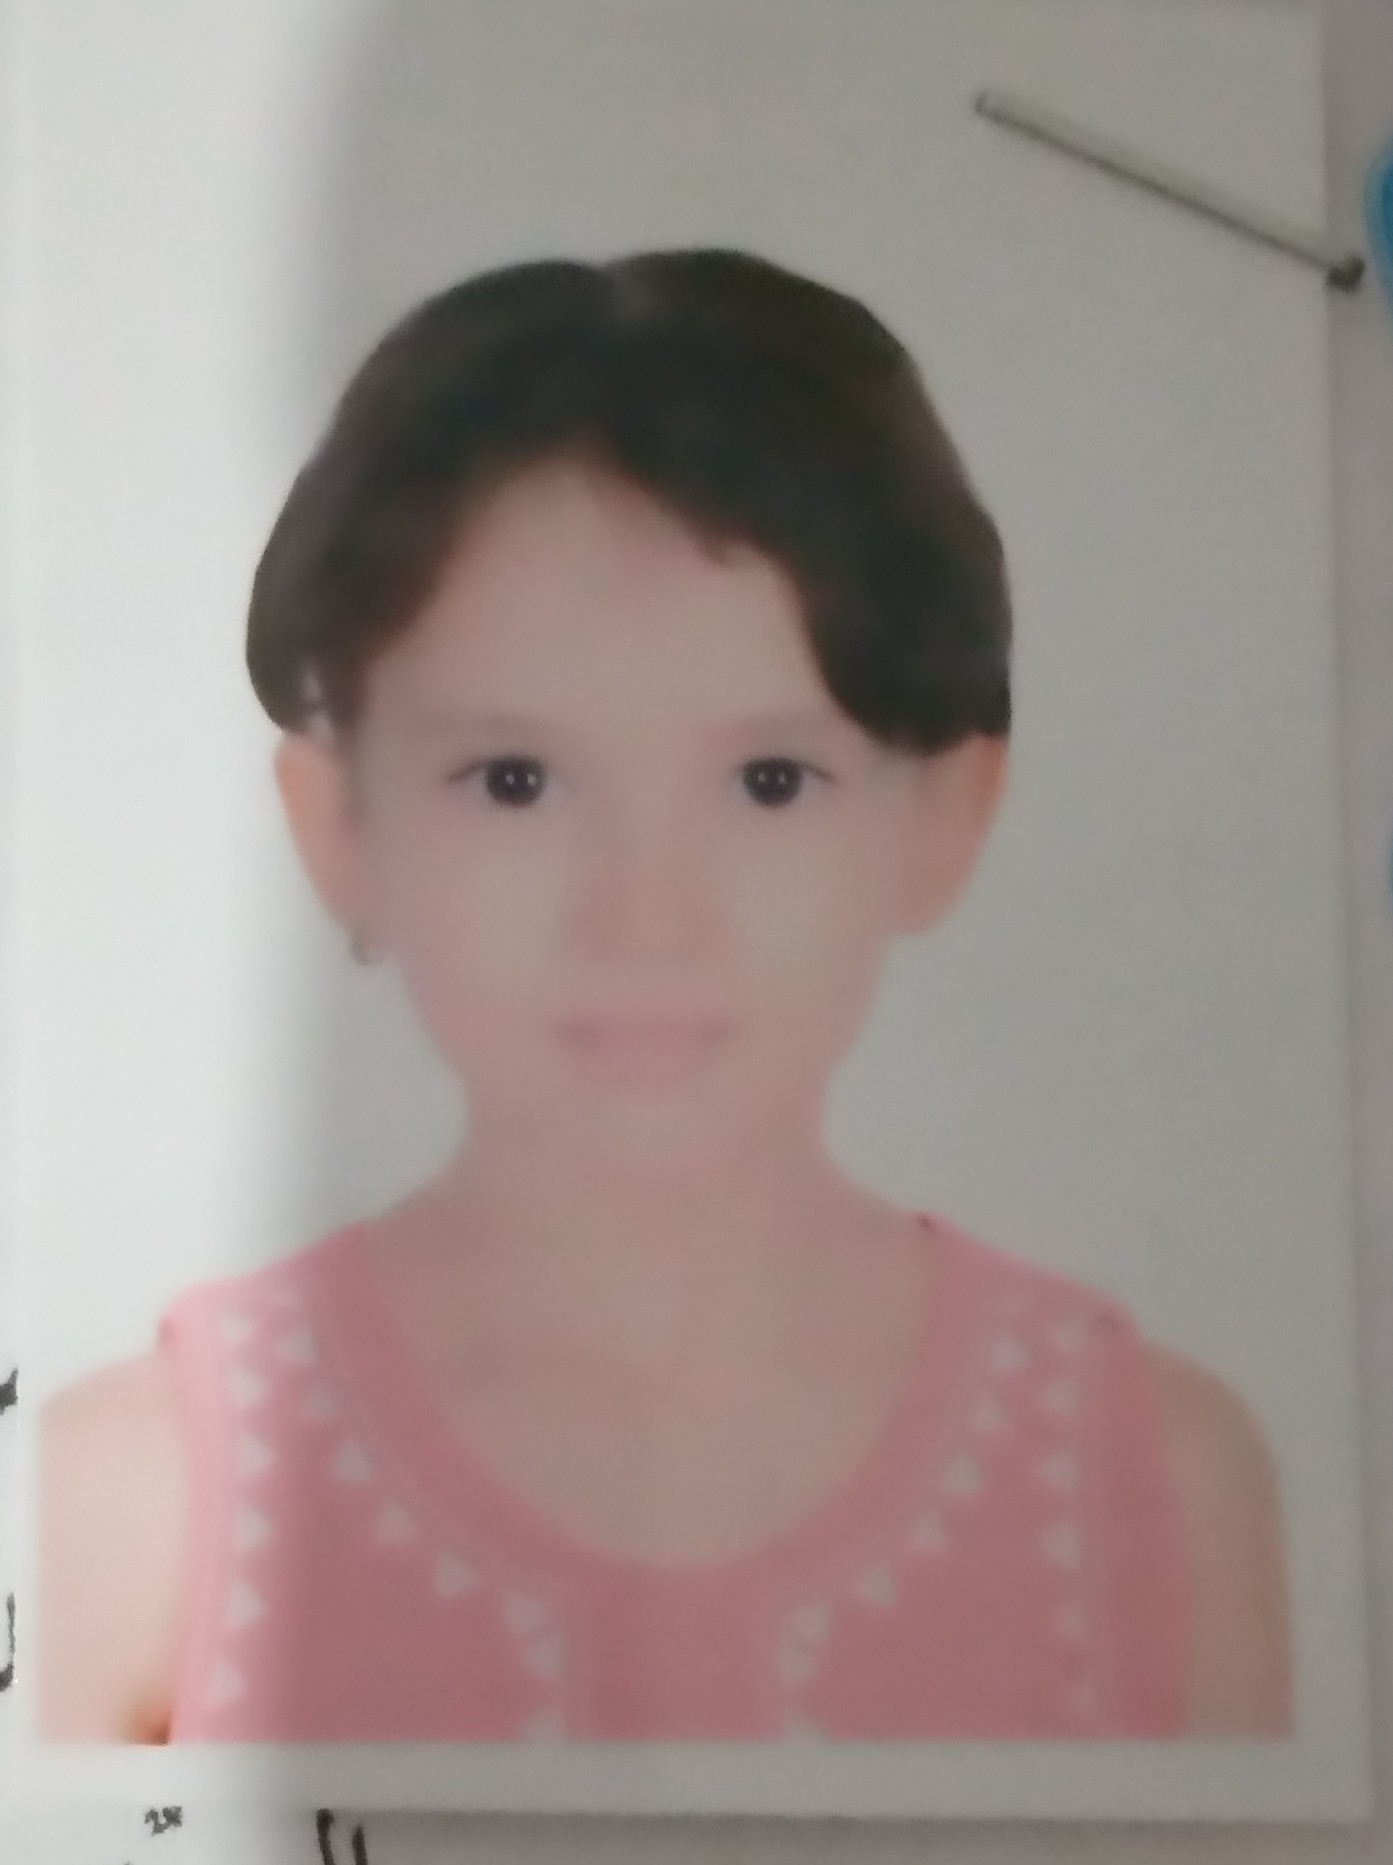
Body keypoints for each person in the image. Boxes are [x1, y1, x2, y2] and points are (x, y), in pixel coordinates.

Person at [39, 249, 1291, 1745]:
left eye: (770, 781)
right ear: (337, 828)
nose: (646, 913)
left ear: (946, 815)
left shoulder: (1147, 1482)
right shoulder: (143, 1495)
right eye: (514, 779)